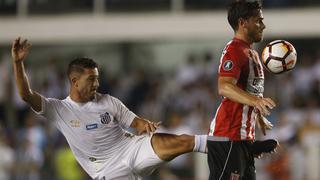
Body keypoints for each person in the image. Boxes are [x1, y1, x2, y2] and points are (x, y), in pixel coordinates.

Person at [11, 37, 208, 180]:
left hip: (132, 149)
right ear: (74, 81)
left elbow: (136, 122)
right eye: (91, 79)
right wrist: (18, 63)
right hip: (107, 171)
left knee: (183, 140)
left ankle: (226, 145)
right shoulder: (59, 109)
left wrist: (145, 125)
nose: (97, 83)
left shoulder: (108, 101)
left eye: (97, 78)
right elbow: (25, 94)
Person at [207, 1, 278, 179]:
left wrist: (257, 114)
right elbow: (224, 86)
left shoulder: (251, 52)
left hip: (243, 138)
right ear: (243, 22)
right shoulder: (234, 50)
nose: (263, 25)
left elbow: (249, 89)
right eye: (258, 20)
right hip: (228, 137)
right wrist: (257, 102)